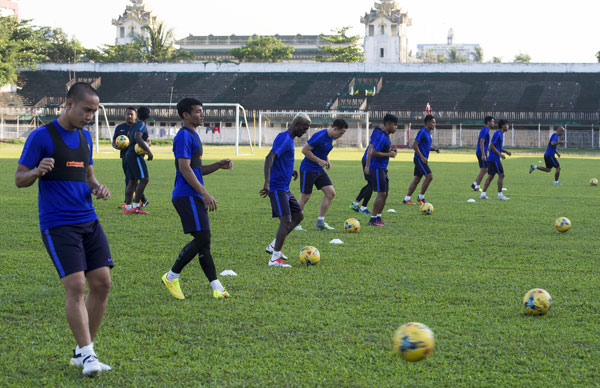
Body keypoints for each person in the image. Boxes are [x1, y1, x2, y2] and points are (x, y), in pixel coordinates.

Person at [15, 82, 113, 377]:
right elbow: (19, 178)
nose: (90, 116)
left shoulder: (85, 138)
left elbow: (88, 174)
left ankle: (82, 352)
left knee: (102, 283)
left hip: (89, 219)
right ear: (68, 104)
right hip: (59, 223)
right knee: (76, 286)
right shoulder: (41, 137)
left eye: (94, 112)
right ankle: (88, 355)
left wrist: (97, 187)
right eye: (86, 110)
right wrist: (36, 171)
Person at [161, 98, 233, 300]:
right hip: (187, 195)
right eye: (198, 111)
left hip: (191, 194)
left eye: (202, 111)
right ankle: (171, 276)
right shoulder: (184, 136)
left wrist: (218, 165)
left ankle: (217, 287)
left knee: (203, 241)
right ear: (186, 115)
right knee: (203, 239)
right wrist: (204, 193)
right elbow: (183, 168)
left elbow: (196, 169)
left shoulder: (193, 135)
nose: (202, 114)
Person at [260, 113, 311, 267]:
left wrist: (291, 172)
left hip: (284, 187)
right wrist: (267, 182)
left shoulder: (288, 140)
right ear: (296, 125)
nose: (305, 131)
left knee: (298, 216)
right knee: (286, 220)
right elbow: (270, 158)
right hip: (277, 187)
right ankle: (274, 259)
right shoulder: (284, 138)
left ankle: (274, 246)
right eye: (304, 127)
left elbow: (281, 160)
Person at [296, 119, 348, 230]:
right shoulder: (320, 136)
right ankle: (294, 222)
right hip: (308, 169)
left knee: (330, 193)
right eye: (341, 133)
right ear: (334, 129)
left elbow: (321, 151)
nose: (341, 136)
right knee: (305, 197)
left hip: (318, 169)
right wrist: (319, 160)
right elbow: (305, 150)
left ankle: (320, 222)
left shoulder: (332, 138)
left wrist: (327, 160)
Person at [364, 113, 398, 226]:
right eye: (394, 125)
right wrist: (389, 154)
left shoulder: (386, 136)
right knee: (381, 193)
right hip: (377, 168)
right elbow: (373, 152)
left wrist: (391, 150)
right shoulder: (381, 136)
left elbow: (383, 150)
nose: (396, 127)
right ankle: (373, 219)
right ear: (388, 124)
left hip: (383, 168)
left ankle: (378, 218)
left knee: (385, 193)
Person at [112, 107, 148, 208]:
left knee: (132, 180)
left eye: (132, 114)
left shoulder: (136, 126)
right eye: (128, 114)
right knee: (137, 179)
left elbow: (146, 140)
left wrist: (145, 147)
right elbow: (115, 141)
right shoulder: (122, 127)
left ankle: (129, 204)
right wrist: (116, 146)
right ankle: (138, 203)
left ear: (136, 116)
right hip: (129, 156)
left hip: (132, 156)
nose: (129, 116)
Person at [349, 123, 386, 215]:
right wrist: (367, 166)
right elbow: (371, 149)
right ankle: (363, 207)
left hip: (369, 161)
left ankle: (355, 203)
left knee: (370, 184)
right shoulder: (378, 133)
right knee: (372, 184)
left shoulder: (380, 133)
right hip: (368, 161)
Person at [403, 115, 440, 205]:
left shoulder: (428, 133)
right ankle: (421, 197)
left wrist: (434, 149)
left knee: (416, 180)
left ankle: (407, 199)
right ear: (427, 122)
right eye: (433, 122)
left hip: (421, 159)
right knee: (429, 176)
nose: (434, 124)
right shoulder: (422, 132)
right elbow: (415, 145)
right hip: (419, 159)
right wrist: (422, 157)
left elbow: (425, 146)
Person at [123, 106, 153, 214]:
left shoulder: (135, 125)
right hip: (135, 156)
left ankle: (127, 207)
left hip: (129, 154)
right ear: (148, 116)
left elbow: (131, 137)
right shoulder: (141, 124)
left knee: (132, 181)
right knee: (144, 179)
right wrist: (148, 151)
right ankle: (136, 206)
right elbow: (137, 137)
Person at [480, 119, 512, 200]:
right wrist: (500, 154)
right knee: (501, 175)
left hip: (492, 159)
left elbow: (498, 147)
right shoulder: (498, 133)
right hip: (494, 159)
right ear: (502, 126)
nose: (508, 126)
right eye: (506, 125)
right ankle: (500, 195)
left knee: (491, 176)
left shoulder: (500, 134)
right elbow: (492, 145)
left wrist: (506, 152)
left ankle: (483, 194)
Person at [471, 116, 494, 192]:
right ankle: (476, 186)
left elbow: (485, 143)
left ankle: (475, 183)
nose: (493, 123)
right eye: (492, 121)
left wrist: (488, 149)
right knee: (484, 169)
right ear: (488, 122)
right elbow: (482, 142)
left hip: (482, 151)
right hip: (481, 152)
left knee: (485, 169)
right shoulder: (485, 130)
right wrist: (483, 154)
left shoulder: (486, 130)